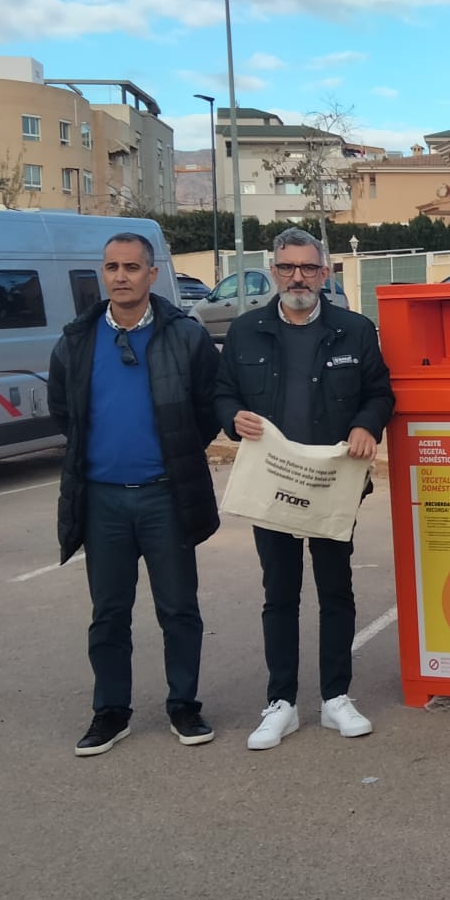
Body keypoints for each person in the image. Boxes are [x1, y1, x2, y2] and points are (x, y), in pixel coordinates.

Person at [214, 228, 394, 751]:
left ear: (325, 273)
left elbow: (380, 392)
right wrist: (232, 418)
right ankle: (282, 704)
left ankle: (337, 698)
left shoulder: (354, 330)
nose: (298, 277)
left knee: (336, 590)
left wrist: (367, 424)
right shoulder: (246, 331)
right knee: (280, 594)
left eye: (308, 268)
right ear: (273, 271)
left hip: (331, 485)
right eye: (288, 267)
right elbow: (222, 393)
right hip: (273, 485)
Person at [49, 232, 221, 756]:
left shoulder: (184, 336)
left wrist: (173, 457)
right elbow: (65, 412)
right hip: (102, 500)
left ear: (151, 275)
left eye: (131, 267)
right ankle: (111, 711)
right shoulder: (77, 339)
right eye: (111, 267)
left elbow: (207, 410)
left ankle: (183, 705)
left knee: (178, 608)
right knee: (109, 612)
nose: (120, 276)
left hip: (165, 496)